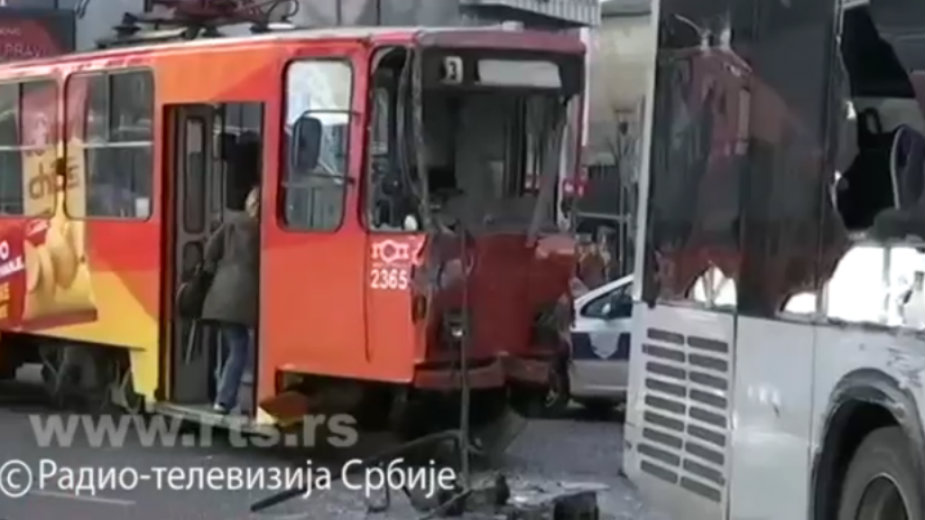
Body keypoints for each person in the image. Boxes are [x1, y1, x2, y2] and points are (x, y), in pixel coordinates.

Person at [201, 186, 260, 414]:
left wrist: (216, 270)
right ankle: (224, 400)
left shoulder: (231, 223)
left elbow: (210, 251)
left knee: (229, 345)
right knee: (239, 349)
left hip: (220, 295)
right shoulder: (262, 231)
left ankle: (218, 392)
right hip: (244, 299)